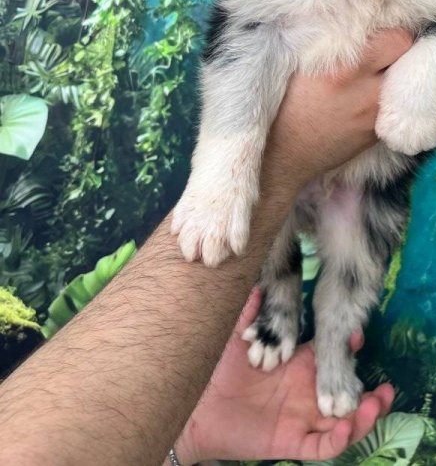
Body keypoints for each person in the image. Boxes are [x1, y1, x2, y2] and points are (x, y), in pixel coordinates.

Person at [0, 29, 413, 465]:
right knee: (280, 248)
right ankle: (280, 309)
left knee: (353, 259)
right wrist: (279, 160)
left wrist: (189, 433)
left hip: (366, 177)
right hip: (304, 156)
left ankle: (314, 335)